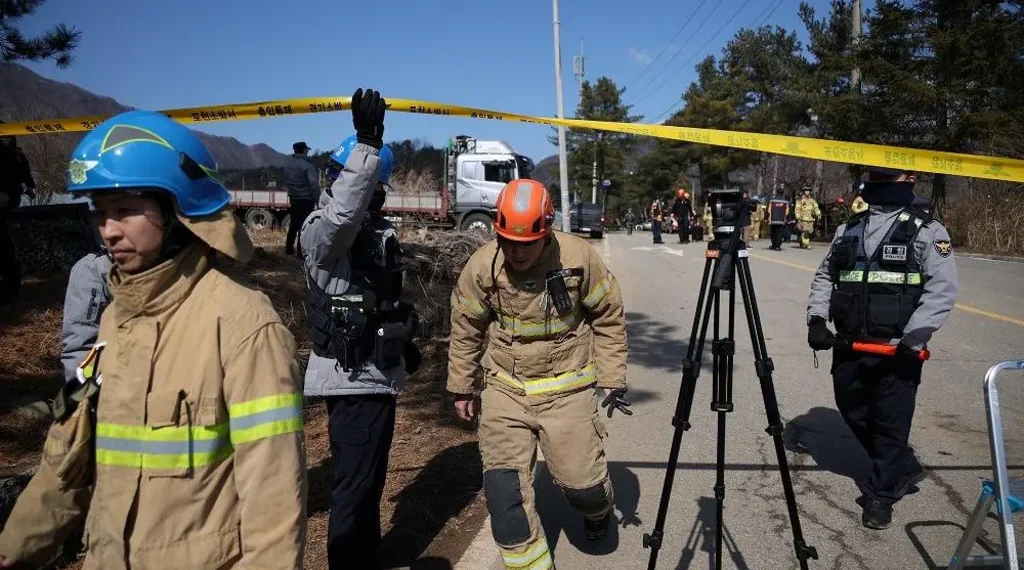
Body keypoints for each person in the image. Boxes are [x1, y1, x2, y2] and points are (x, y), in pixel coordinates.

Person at [0, 110, 307, 568]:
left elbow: (274, 500)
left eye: (125, 210)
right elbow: (63, 452)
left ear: (178, 210)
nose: (108, 230)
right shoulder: (112, 322)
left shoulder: (243, 324)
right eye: (100, 213)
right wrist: (14, 548)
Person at [448, 178, 630, 570]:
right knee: (504, 495)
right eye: (507, 242)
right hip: (505, 390)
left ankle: (597, 512)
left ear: (546, 232)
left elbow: (608, 316)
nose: (515, 252)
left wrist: (613, 376)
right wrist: (462, 387)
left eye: (526, 243)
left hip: (568, 389)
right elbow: (465, 328)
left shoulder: (578, 257)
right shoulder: (483, 266)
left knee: (584, 488)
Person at [300, 88, 419, 570]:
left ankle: (367, 555)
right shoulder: (321, 233)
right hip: (349, 381)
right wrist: (367, 143)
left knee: (370, 481)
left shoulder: (376, 232)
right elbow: (341, 215)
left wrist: (402, 346)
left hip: (376, 377)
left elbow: (380, 301)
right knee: (352, 488)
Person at [806, 166, 958, 530]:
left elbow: (942, 290)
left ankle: (882, 492)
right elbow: (827, 276)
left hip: (896, 348)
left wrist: (914, 338)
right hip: (850, 343)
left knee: (890, 421)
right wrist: (816, 318)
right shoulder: (849, 228)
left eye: (893, 179)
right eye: (879, 179)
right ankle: (900, 464)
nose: (883, 185)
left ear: (907, 184)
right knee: (853, 408)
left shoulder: (927, 231)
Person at [60, 250, 112, 383]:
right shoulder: (93, 269)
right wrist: (83, 394)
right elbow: (81, 346)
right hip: (113, 387)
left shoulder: (168, 264)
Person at [0, 135, 37, 304]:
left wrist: (28, 186)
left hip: (6, 196)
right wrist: (28, 186)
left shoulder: (12, 149)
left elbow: (22, 168)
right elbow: (24, 170)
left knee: (4, 245)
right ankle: (10, 289)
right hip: (9, 196)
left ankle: (10, 290)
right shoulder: (14, 148)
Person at [283, 140, 320, 257]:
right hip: (306, 200)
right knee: (303, 226)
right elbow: (314, 185)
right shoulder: (307, 166)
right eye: (307, 150)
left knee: (293, 224)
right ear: (304, 151)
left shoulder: (287, 165)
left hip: (294, 198)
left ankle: (289, 250)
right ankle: (300, 252)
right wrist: (318, 199)